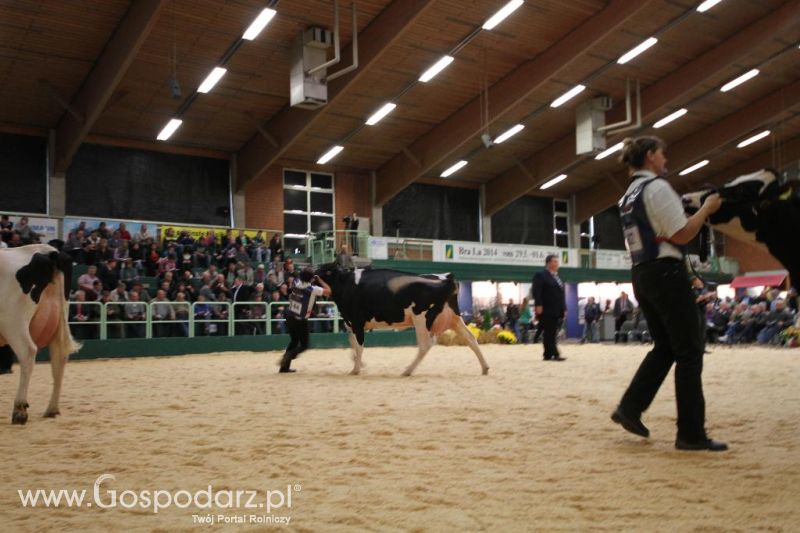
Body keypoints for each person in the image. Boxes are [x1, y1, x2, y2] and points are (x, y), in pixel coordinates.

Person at [610, 135, 727, 452]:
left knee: (665, 347)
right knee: (689, 351)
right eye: (662, 154)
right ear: (650, 156)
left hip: (641, 271)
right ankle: (690, 433)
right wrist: (705, 209)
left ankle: (630, 408)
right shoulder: (657, 188)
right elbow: (683, 233)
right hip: (665, 271)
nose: (665, 160)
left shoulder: (629, 194)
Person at [278, 267, 331, 373]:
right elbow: (329, 291)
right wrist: (320, 280)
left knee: (294, 341)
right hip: (300, 321)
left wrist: (309, 276)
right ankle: (288, 356)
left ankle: (284, 367)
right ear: (311, 279)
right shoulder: (313, 289)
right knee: (304, 345)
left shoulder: (296, 282)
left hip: (289, 316)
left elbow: (299, 276)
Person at [532, 255, 567, 361]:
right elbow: (536, 291)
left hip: (557, 309)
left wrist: (564, 308)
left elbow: (561, 294)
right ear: (548, 263)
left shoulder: (557, 277)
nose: (557, 264)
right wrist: (538, 305)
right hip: (546, 308)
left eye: (557, 261)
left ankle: (548, 354)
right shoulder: (541, 275)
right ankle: (554, 354)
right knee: (549, 332)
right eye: (555, 261)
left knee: (552, 332)